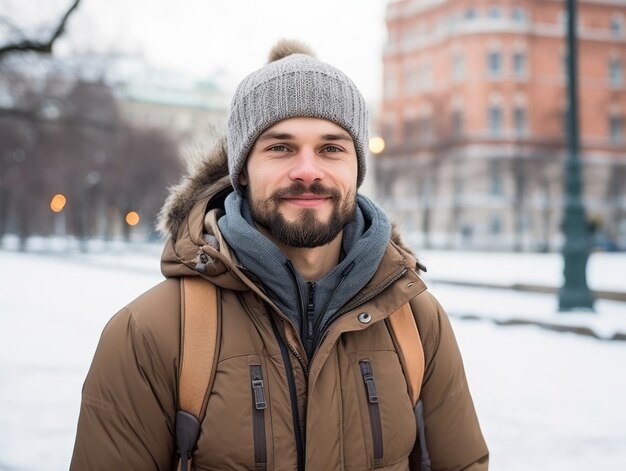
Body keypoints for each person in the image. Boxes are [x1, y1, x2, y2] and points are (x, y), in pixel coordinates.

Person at [70, 39, 488, 471]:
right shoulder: (149, 333)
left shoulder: (416, 321)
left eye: (331, 148)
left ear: (357, 169)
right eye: (280, 147)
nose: (308, 170)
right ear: (242, 172)